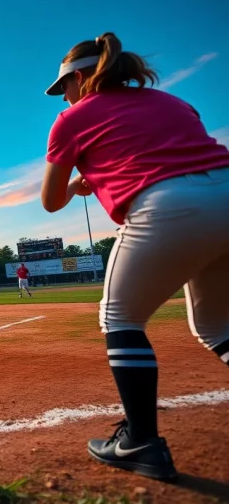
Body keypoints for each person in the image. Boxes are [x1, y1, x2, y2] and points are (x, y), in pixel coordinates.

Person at [41, 32, 229, 481]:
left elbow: (50, 201)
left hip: (167, 205)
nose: (61, 97)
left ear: (81, 78)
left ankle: (141, 441)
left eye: (63, 87)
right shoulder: (174, 103)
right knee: (219, 327)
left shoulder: (72, 118)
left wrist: (74, 185)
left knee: (119, 318)